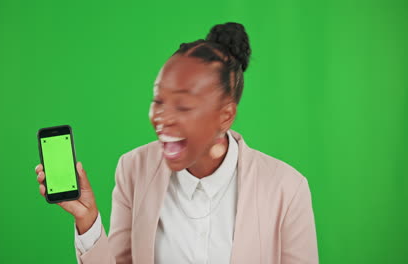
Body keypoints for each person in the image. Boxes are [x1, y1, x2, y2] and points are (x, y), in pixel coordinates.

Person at [35, 22, 318, 264]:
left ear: (225, 115)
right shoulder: (134, 169)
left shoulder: (287, 189)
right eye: (159, 100)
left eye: (183, 105)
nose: (162, 117)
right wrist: (88, 220)